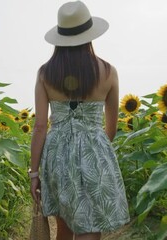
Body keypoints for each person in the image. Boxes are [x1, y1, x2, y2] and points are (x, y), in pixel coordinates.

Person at [29, 1, 130, 239]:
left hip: (57, 155)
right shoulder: (108, 72)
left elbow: (40, 126)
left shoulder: (45, 73)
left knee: (64, 226)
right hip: (94, 153)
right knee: (91, 226)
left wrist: (34, 173)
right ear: (89, 35)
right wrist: (93, 152)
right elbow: (111, 128)